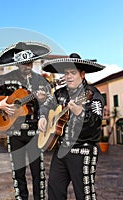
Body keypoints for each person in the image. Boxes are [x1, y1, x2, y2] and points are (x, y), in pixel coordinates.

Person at [0, 41, 52, 200]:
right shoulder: (5, 79)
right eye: (24, 63)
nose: (28, 66)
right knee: (18, 173)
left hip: (34, 132)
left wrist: (43, 111)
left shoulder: (40, 81)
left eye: (30, 62)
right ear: (17, 63)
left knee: (38, 174)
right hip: (14, 132)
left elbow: (49, 103)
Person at [38, 53, 105, 200]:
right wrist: (43, 117)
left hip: (83, 150)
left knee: (84, 194)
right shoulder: (59, 93)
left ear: (82, 74)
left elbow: (95, 123)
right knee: (54, 190)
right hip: (61, 151)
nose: (68, 76)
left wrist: (81, 113)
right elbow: (45, 106)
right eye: (66, 73)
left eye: (73, 73)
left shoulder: (92, 95)